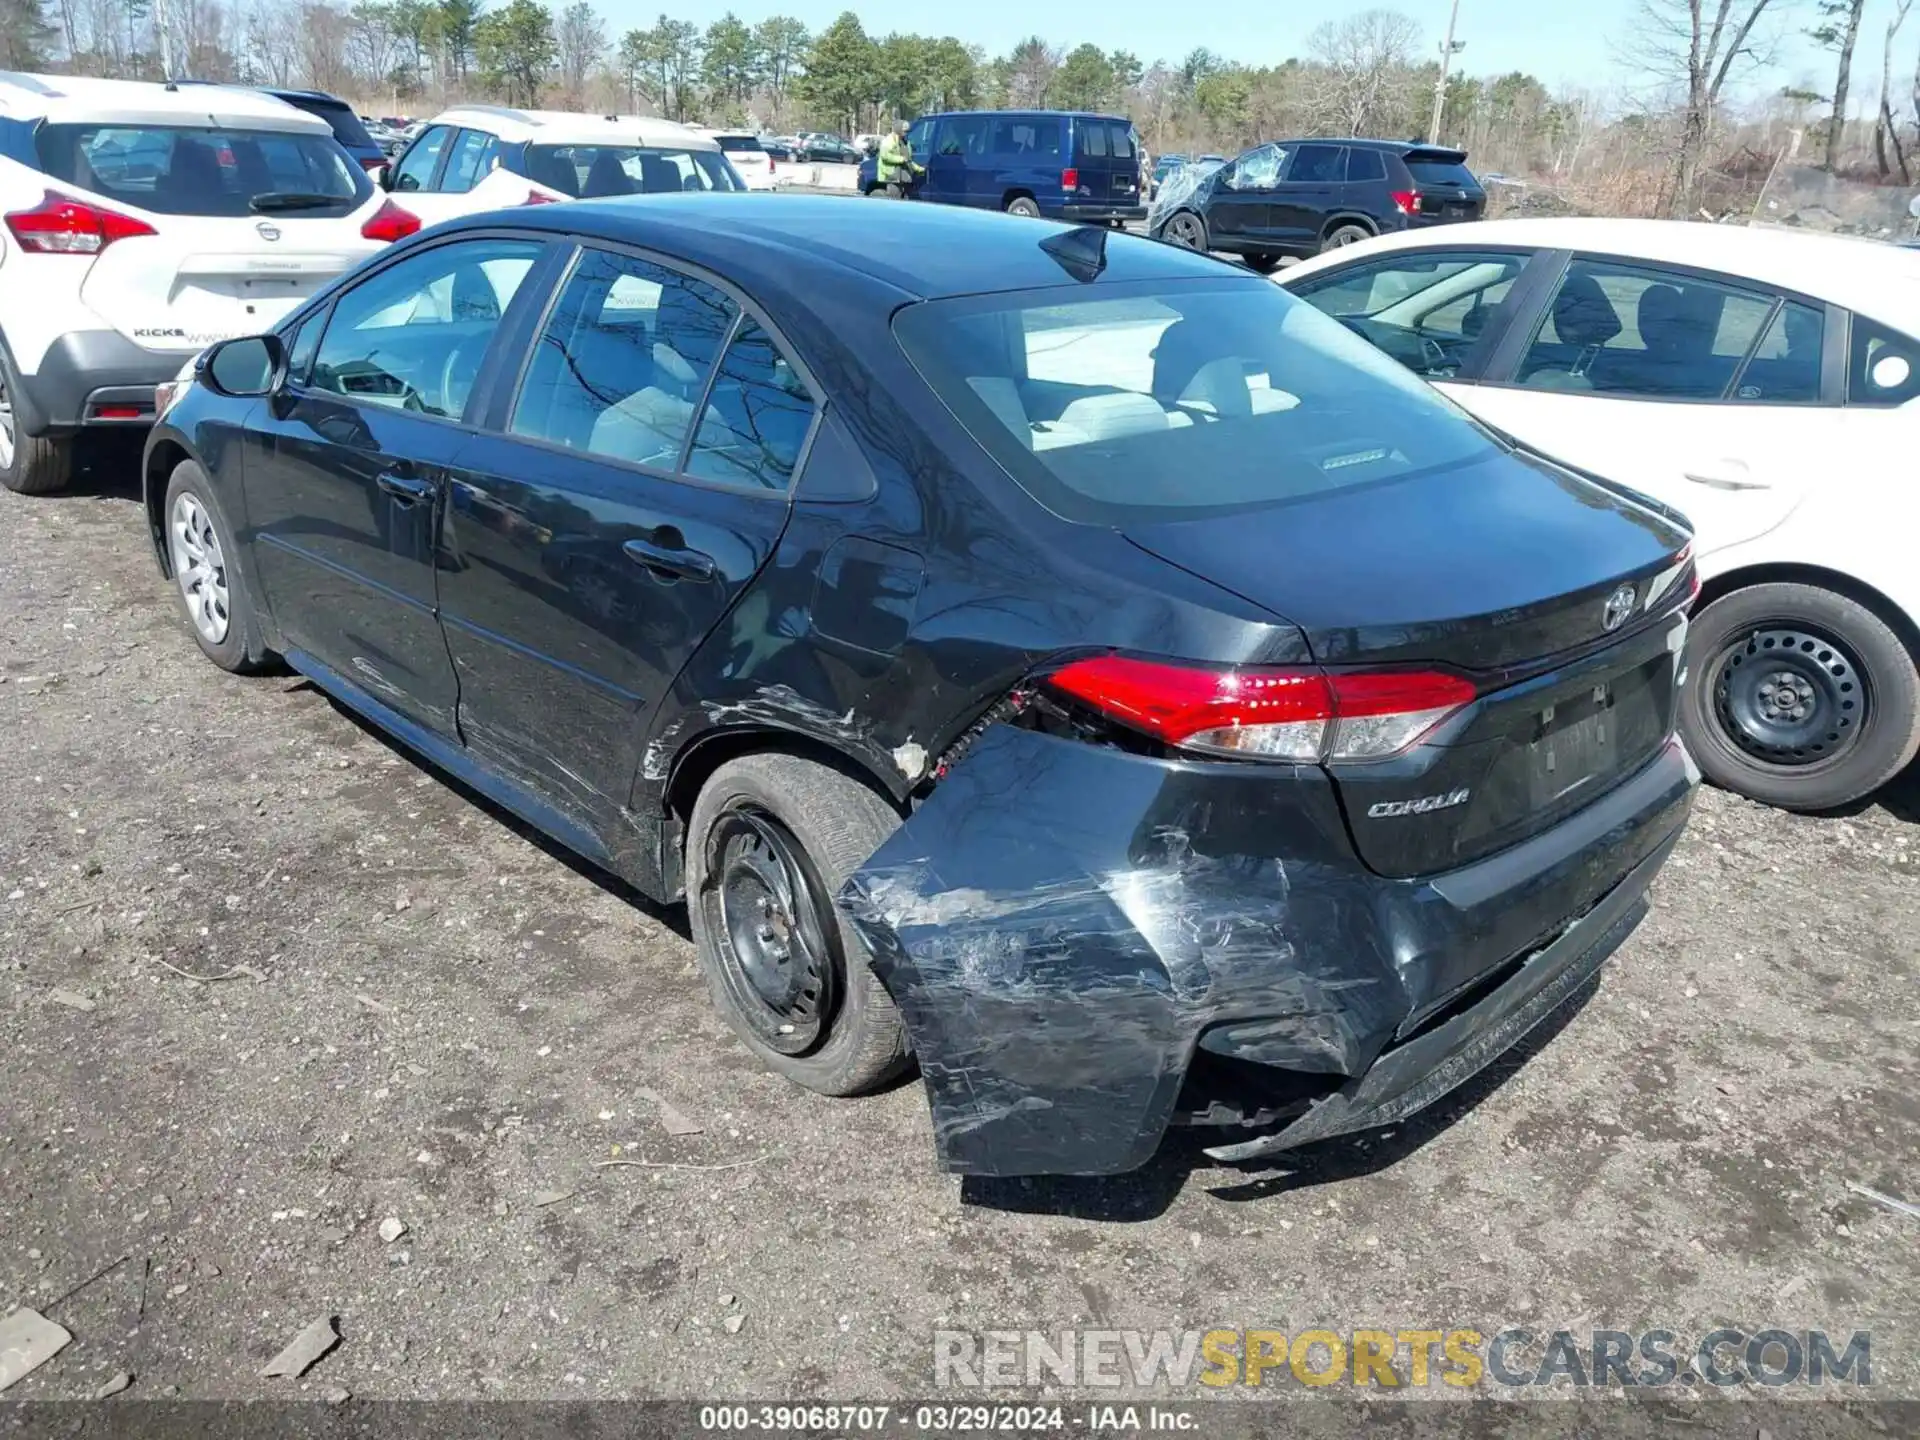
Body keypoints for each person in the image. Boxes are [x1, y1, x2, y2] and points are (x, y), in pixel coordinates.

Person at [876, 119, 923, 200]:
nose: (906, 133)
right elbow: (885, 156)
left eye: (907, 131)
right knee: (894, 200)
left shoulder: (905, 142)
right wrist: (900, 159)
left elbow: (908, 160)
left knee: (905, 200)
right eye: (904, 131)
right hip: (891, 177)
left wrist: (919, 169)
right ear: (898, 130)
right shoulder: (889, 140)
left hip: (903, 178)